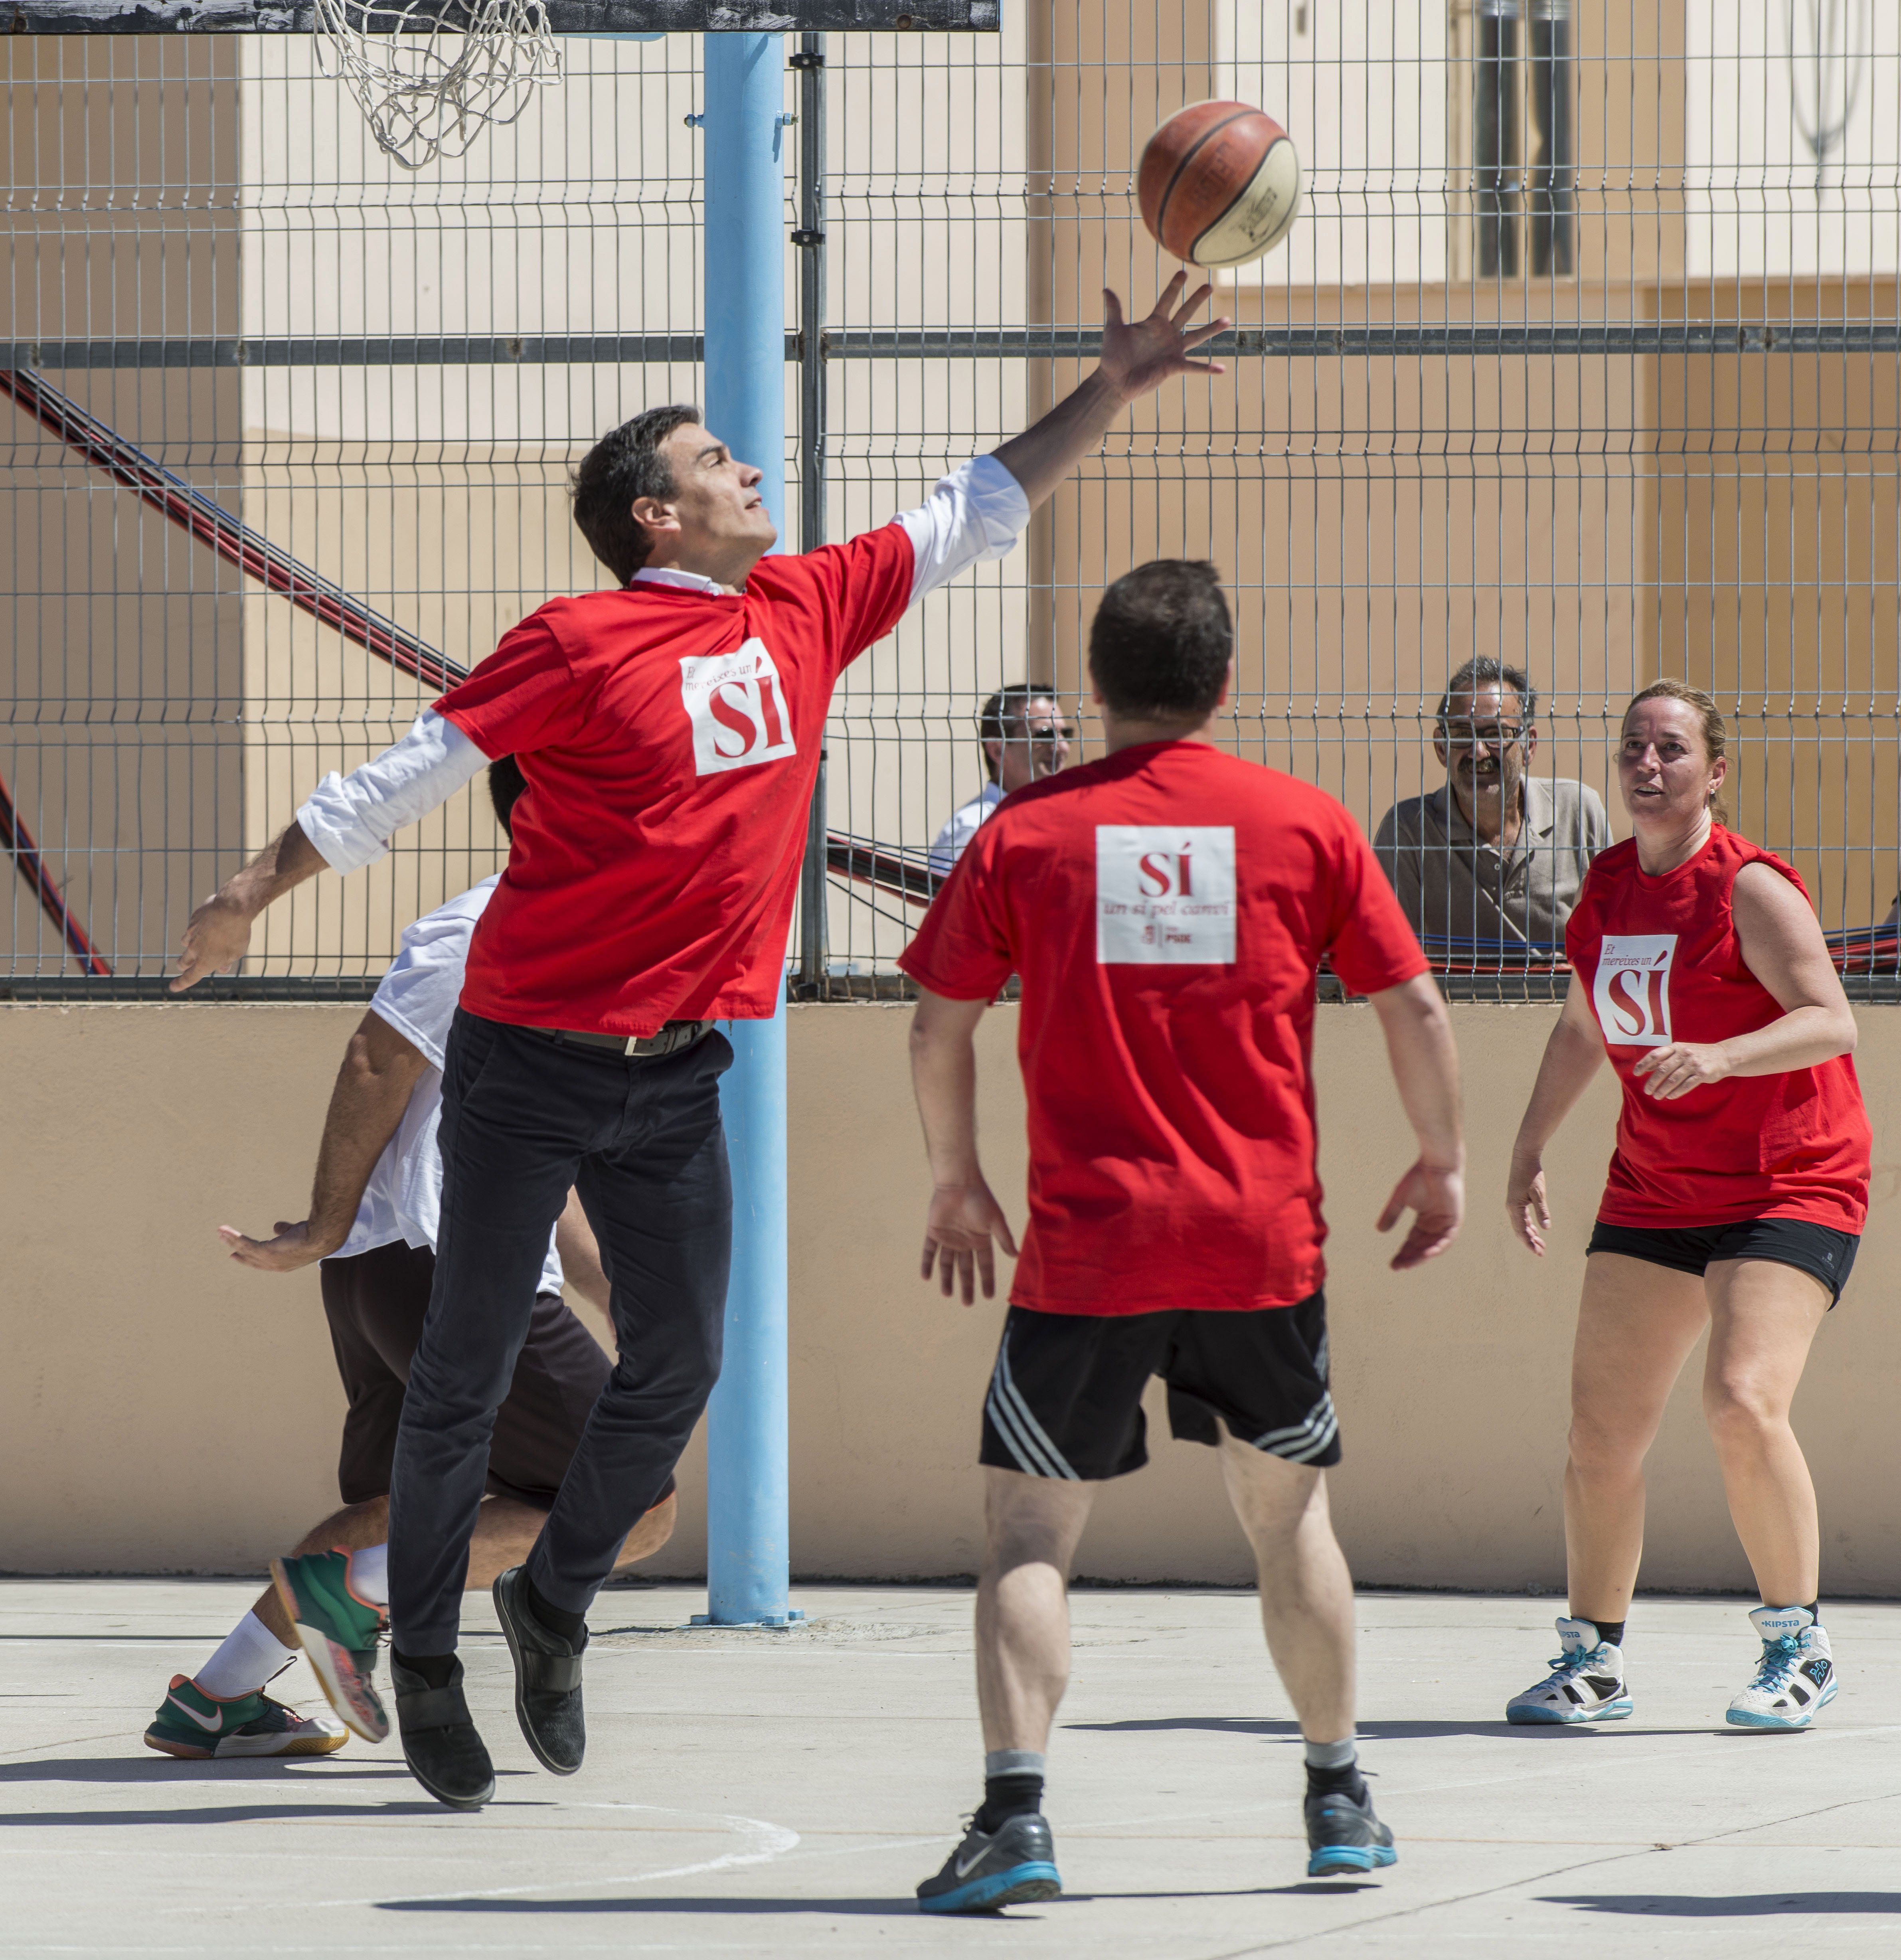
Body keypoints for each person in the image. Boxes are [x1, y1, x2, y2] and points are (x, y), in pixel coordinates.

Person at [169, 275, 1233, 1811]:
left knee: (684, 1360)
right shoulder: (580, 636)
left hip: (675, 1069)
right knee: (463, 1366)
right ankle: (423, 1664)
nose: (749, 468)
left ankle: (553, 1597)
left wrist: (1114, 385)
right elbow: (412, 770)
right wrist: (252, 889)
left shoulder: (803, 607)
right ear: (654, 518)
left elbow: (971, 509)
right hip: (530, 1052)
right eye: (716, 458)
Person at [895, 560, 1465, 1913]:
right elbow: (1414, 1007)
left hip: (1091, 1245)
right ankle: (1336, 1798)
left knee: (1031, 1528)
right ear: (1222, 682)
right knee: (1289, 1521)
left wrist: (955, 1179)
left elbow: (936, 1023)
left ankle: (1016, 1821)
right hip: (1258, 1240)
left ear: (1091, 690)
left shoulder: (1024, 834)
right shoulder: (1303, 824)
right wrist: (1442, 1158)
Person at [143, 759, 676, 1760]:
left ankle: (216, 1697)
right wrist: (320, 1221)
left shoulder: (579, 937)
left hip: (396, 1266)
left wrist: (623, 1301)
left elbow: (538, 1162)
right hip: (440, 1262)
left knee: (397, 1508)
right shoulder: (485, 925)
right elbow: (373, 1059)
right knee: (638, 1502)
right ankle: (368, 1594)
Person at [1504, 679, 1869, 1731]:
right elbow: (1583, 1030)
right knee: (1598, 1431)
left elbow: (1829, 1020)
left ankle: (1798, 1646)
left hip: (1788, 1180)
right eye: (1631, 748)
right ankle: (1592, 1662)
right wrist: (1530, 1145)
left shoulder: (1747, 888)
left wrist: (1720, 1055)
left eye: (1669, 749)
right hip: (1656, 1186)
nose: (1646, 765)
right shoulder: (1610, 887)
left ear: (1713, 771)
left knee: (1739, 1400)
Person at [1373, 656, 1611, 949]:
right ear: (1441, 747)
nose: (1478, 751)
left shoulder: (1578, 810)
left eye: (1496, 735)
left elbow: (1612, 933)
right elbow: (1386, 950)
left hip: (1561, 995)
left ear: (1529, 746)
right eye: (1462, 734)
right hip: (1451, 996)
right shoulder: (1407, 831)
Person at [928, 685, 1074, 876]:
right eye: (1045, 735)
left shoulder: (1061, 817)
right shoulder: (975, 828)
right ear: (998, 750)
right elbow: (946, 903)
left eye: (1066, 734)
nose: (1063, 747)